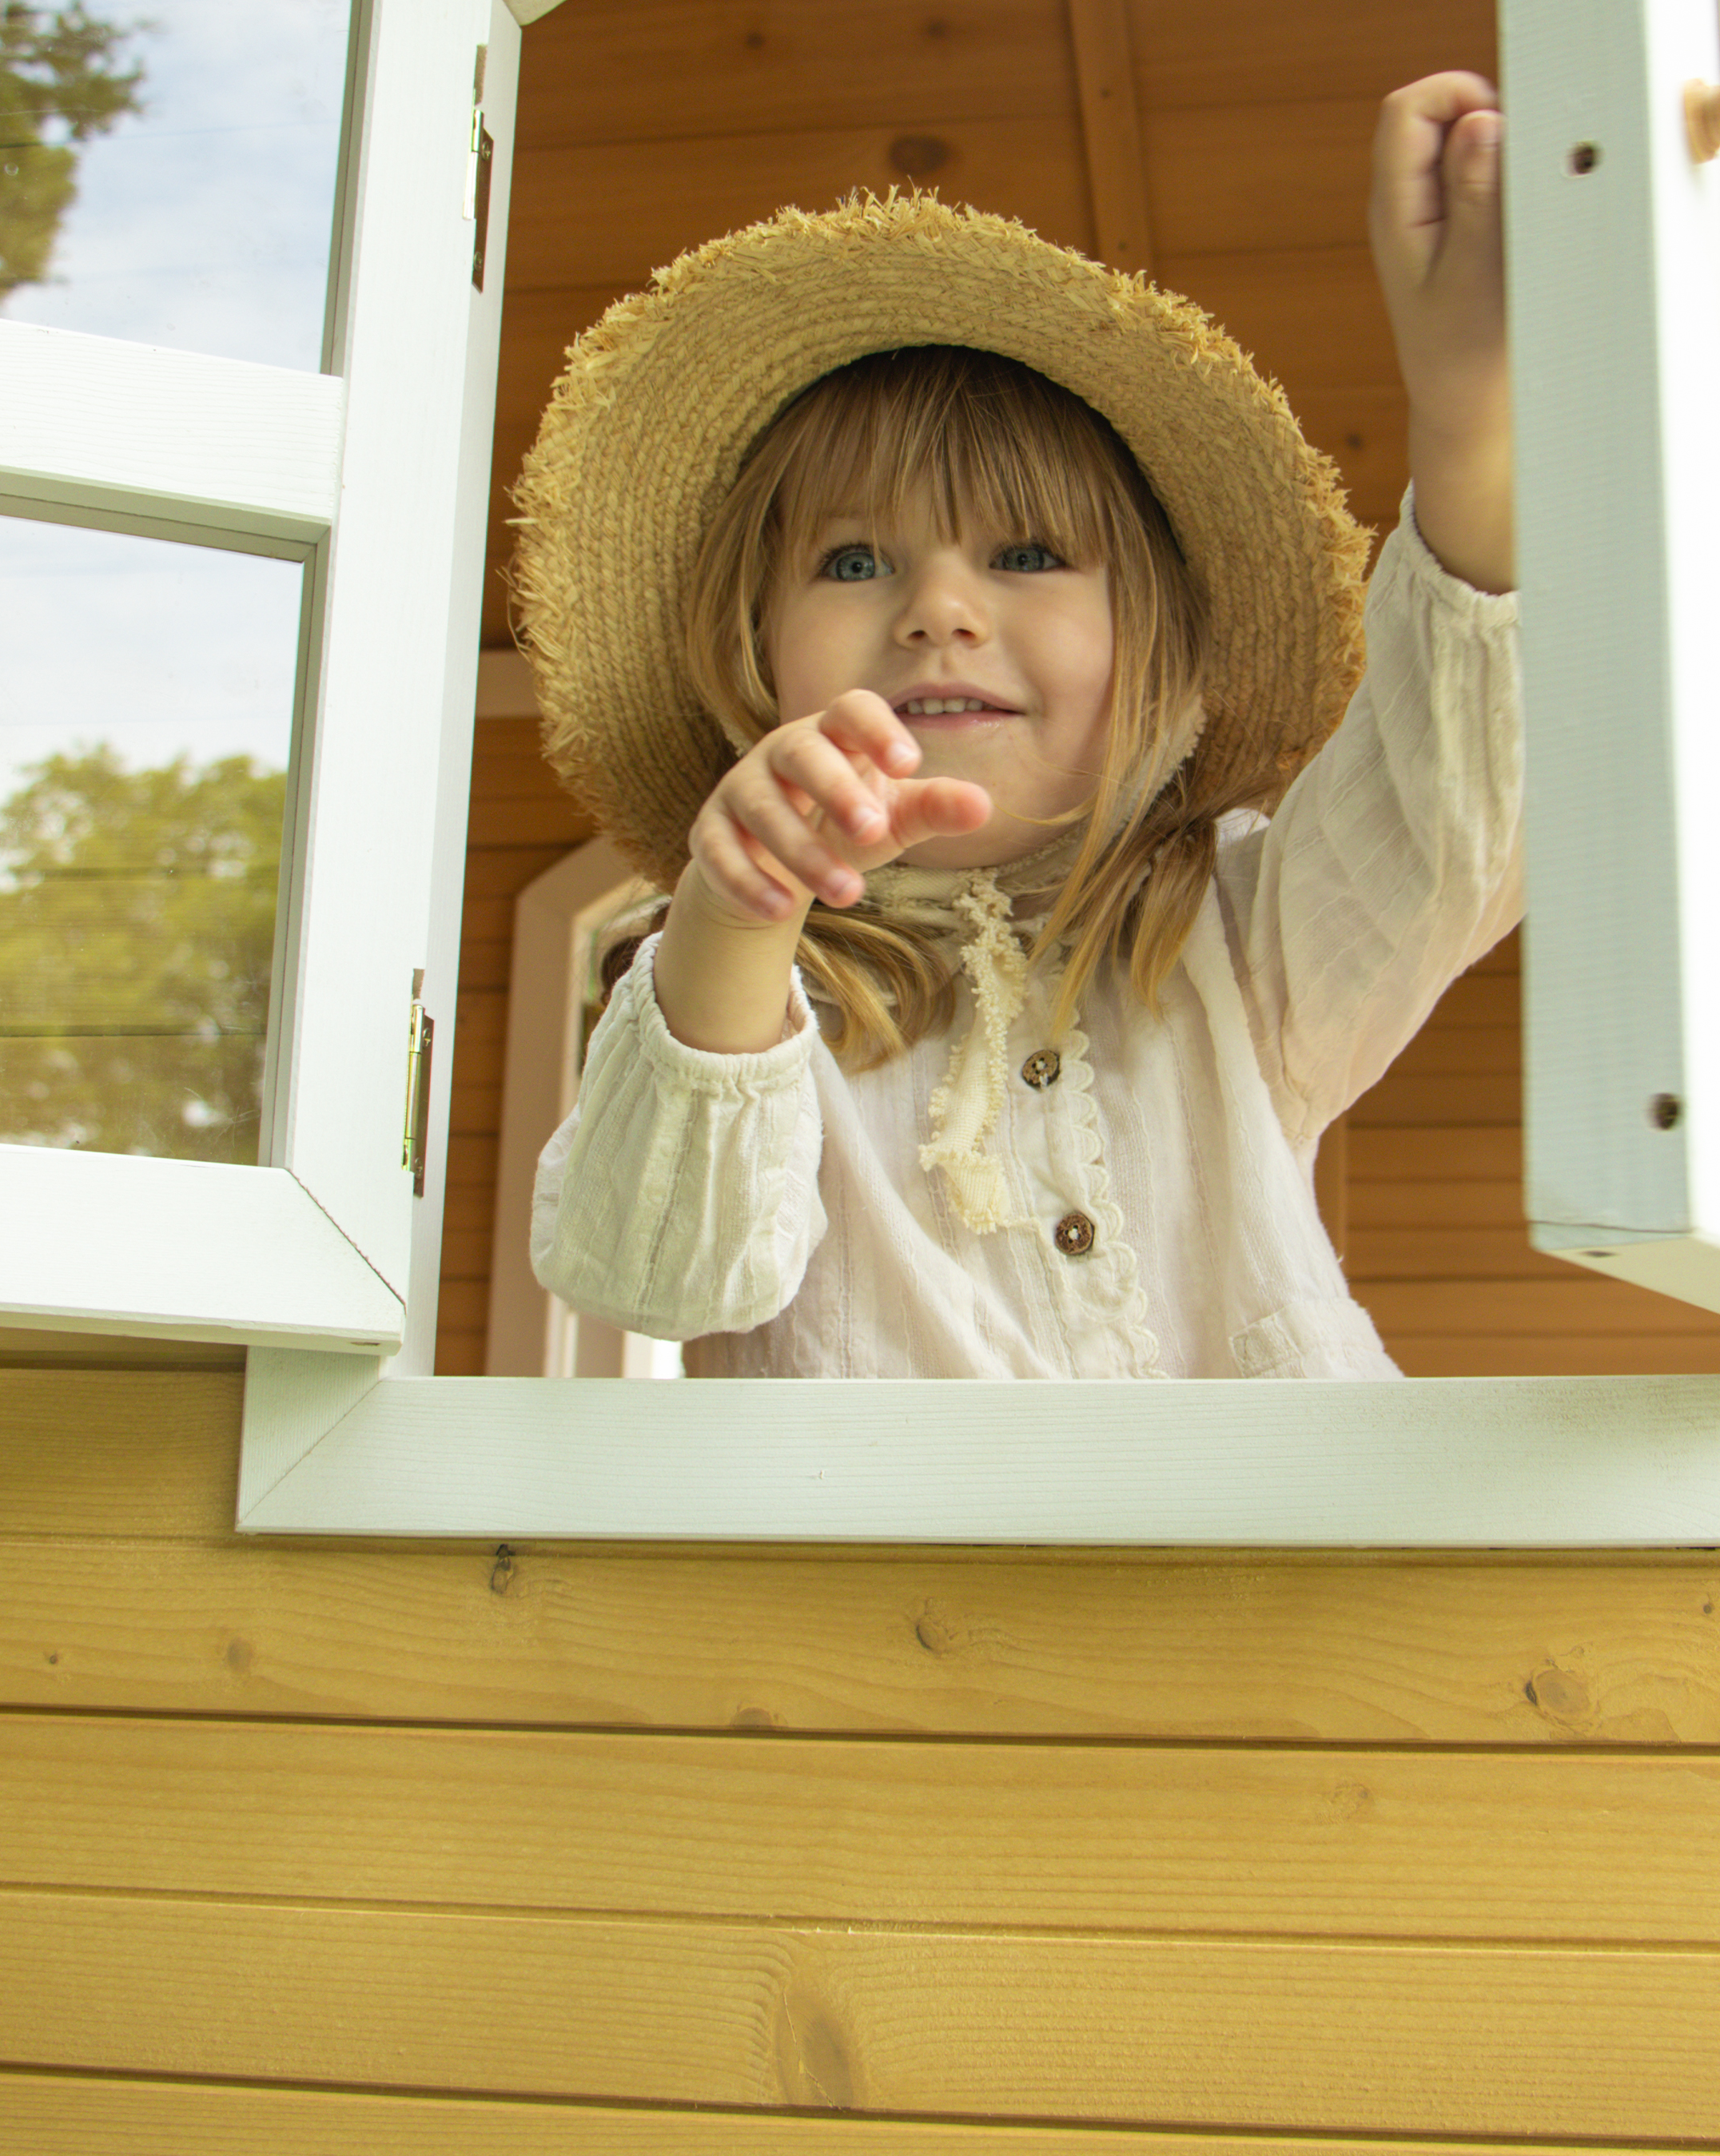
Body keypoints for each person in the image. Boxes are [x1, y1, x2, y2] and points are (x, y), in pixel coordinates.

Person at [515, 73, 1521, 1379]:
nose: (939, 609)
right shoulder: (744, 997)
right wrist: (734, 915)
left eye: (1030, 550)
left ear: (1149, 650)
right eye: (856, 562)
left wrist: (1468, 421)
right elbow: (653, 1275)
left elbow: (1460, 807)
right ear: (756, 657)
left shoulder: (1234, 942)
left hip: (1279, 1581)